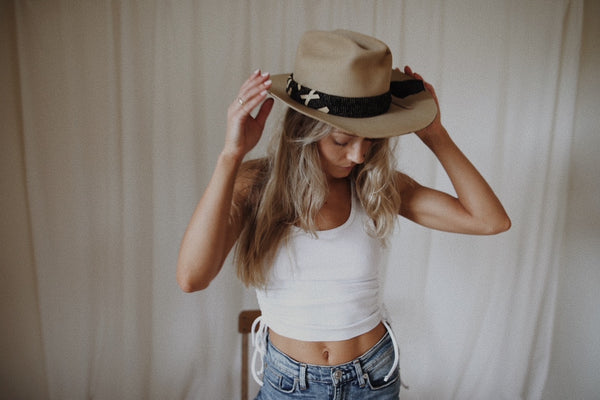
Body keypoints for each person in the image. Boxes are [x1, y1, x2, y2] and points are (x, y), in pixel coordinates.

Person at [177, 29, 510, 399]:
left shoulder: (374, 185)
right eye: (341, 141)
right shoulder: (255, 185)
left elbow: (490, 221)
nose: (358, 156)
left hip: (374, 378)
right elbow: (192, 277)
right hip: (290, 384)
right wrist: (230, 156)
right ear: (304, 130)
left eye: (371, 139)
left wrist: (434, 133)